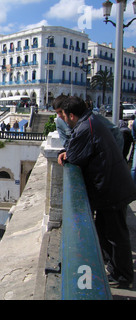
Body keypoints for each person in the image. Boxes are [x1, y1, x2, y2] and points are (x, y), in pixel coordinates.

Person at [56, 96, 136, 288]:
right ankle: (114, 268)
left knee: (116, 235)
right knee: (104, 230)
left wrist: (65, 155)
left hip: (112, 189)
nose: (63, 119)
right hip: (110, 188)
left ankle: (123, 275)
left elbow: (74, 156)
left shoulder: (86, 127)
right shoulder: (90, 121)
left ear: (72, 115)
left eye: (64, 115)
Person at [52, 94, 123, 151]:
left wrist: (116, 153)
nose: (60, 115)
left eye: (61, 112)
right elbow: (66, 143)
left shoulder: (92, 117)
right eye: (57, 112)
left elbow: (115, 131)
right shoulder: (60, 122)